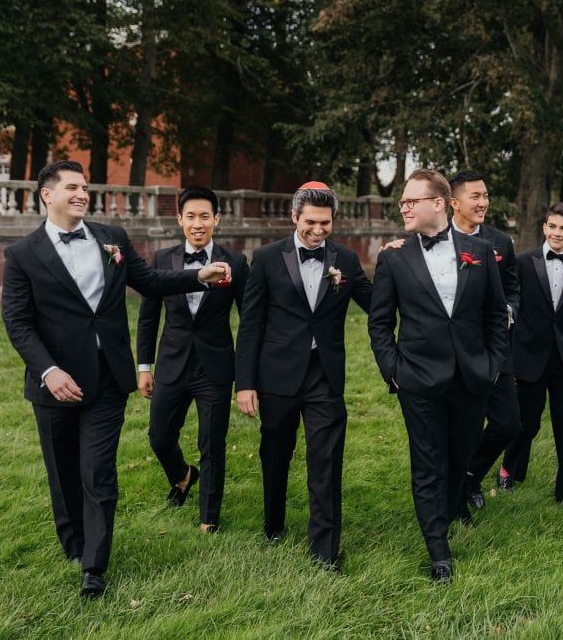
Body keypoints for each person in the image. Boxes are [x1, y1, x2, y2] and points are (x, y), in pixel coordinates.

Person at [1, 161, 231, 597]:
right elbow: (17, 322)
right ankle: (73, 544)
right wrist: (48, 372)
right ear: (46, 195)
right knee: (63, 471)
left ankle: (95, 565)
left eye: (84, 187)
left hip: (107, 379)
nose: (81, 194)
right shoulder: (22, 254)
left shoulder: (112, 239)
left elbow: (149, 281)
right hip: (54, 385)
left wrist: (197, 275)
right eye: (71, 187)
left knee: (98, 471)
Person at [367, 168, 507, 583]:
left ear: (439, 204)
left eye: (411, 200)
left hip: (471, 377)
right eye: (402, 202)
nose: (403, 207)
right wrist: (393, 372)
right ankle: (438, 550)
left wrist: (493, 364)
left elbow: (496, 315)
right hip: (417, 380)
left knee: (459, 458)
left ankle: (444, 516)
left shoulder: (479, 251)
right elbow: (379, 323)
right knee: (427, 464)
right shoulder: (393, 257)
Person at [234, 181, 372, 571]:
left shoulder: (344, 260)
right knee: (275, 454)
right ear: (294, 217)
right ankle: (273, 524)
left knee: (326, 459)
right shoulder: (265, 257)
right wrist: (244, 383)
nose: (317, 230)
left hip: (324, 375)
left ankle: (325, 550)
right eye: (310, 221)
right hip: (276, 374)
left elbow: (376, 301)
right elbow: (250, 324)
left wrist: (398, 261)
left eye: (325, 223)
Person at [136, 187, 249, 533]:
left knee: (212, 443)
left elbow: (249, 320)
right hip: (172, 362)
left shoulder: (237, 262)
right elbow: (148, 317)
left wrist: (247, 377)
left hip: (215, 367)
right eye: (190, 216)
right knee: (158, 436)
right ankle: (183, 475)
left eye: (205, 216)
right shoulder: (161, 260)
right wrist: (144, 366)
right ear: (179, 219)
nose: (197, 224)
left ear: (216, 219)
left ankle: (208, 519)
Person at [501, 203, 563, 504]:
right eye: (553, 226)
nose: (557, 233)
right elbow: (512, 310)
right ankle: (508, 470)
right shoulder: (523, 262)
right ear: (544, 227)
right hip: (529, 356)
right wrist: (509, 359)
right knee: (526, 422)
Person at [446, 171, 521, 516]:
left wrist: (508, 308)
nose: (483, 203)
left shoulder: (501, 242)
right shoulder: (438, 241)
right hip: (457, 355)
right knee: (466, 426)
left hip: (496, 350)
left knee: (508, 424)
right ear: (454, 202)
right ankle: (457, 491)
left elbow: (512, 288)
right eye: (475, 196)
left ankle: (471, 474)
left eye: (486, 195)